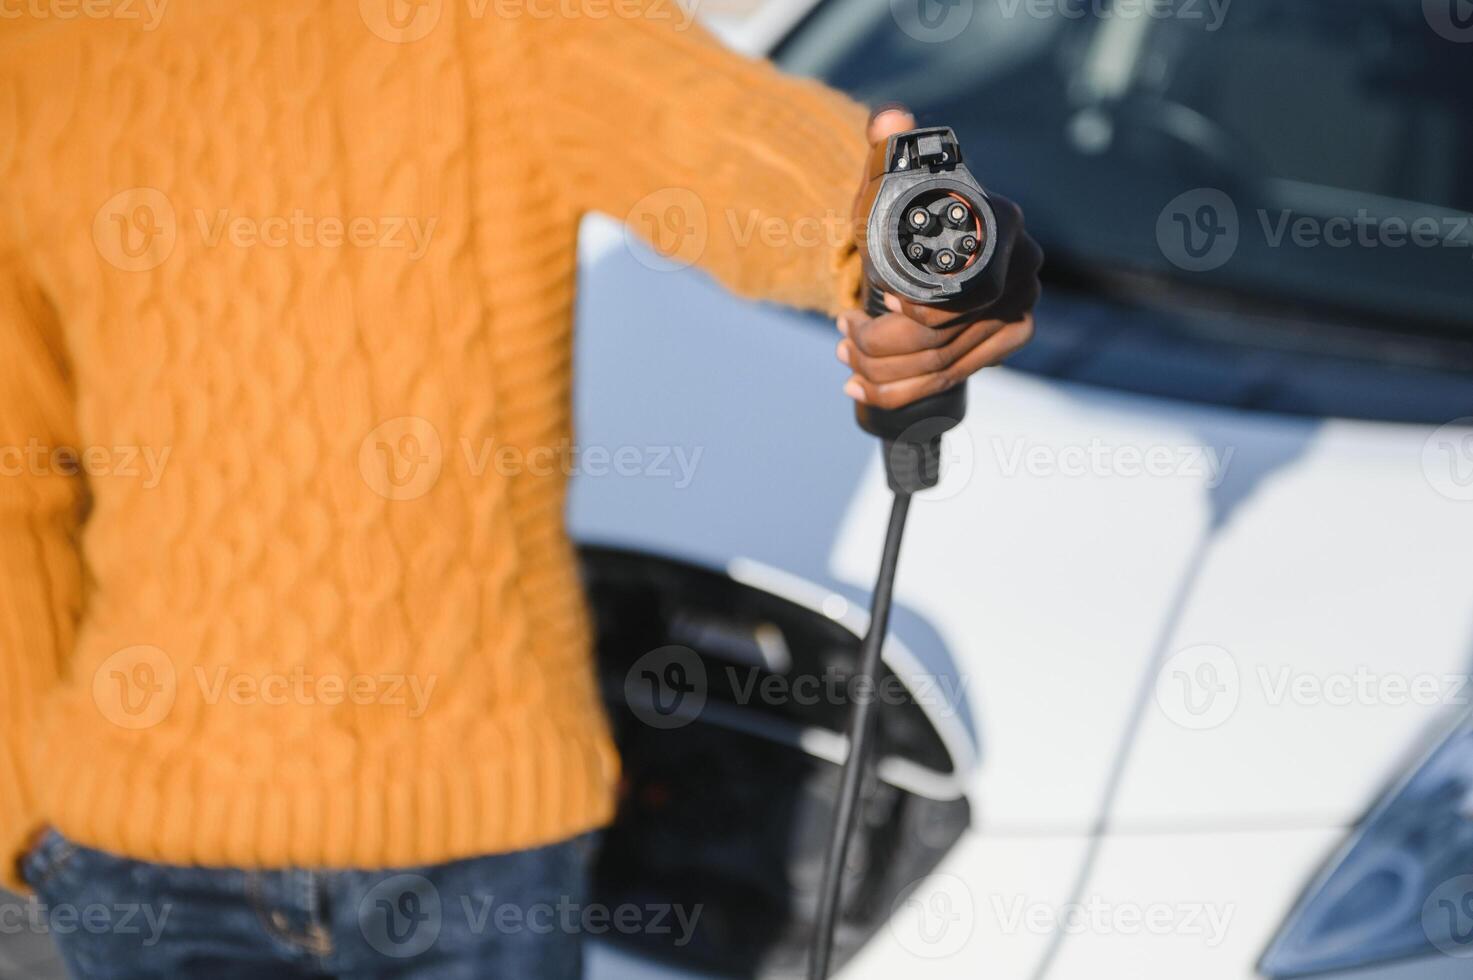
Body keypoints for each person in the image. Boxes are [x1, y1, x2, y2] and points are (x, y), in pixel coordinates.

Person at [0, 2, 1038, 976]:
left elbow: (712, 132)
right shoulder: (38, 48)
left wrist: (892, 231)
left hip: (484, 855)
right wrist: (24, 809)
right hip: (146, 857)